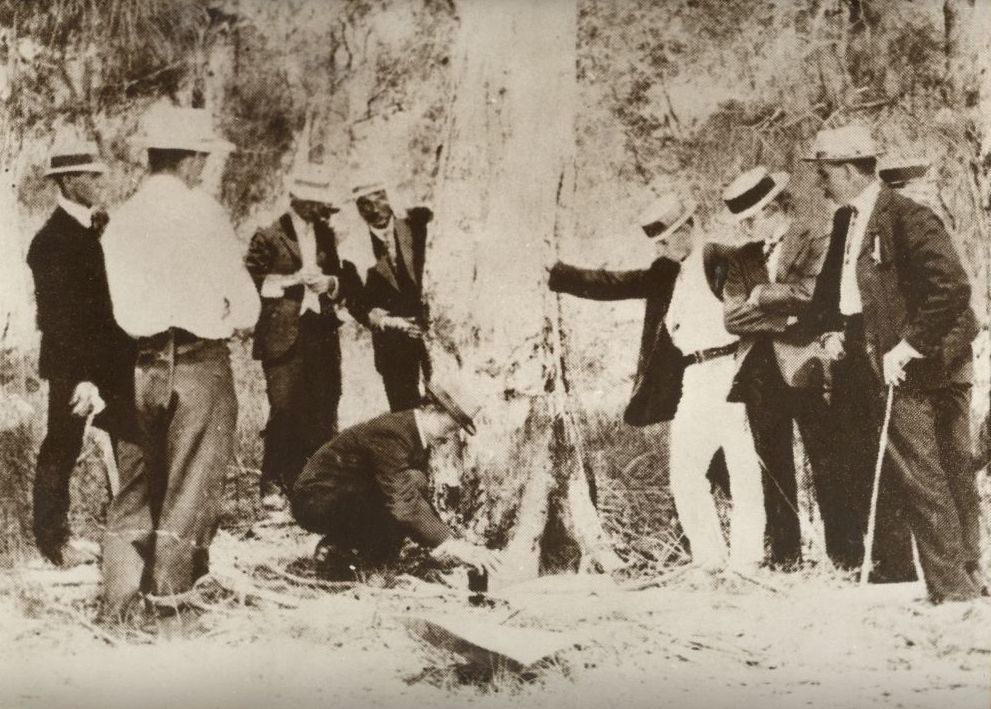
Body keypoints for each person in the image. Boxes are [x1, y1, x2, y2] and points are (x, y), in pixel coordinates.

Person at [802, 124, 980, 602]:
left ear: (847, 169)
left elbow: (952, 289)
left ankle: (955, 591)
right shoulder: (846, 221)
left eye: (823, 172)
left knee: (925, 474)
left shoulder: (906, 215)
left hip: (908, 364)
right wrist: (832, 331)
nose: (818, 182)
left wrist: (909, 346)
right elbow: (841, 296)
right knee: (910, 474)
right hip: (864, 357)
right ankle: (944, 581)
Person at [99, 105, 260, 624]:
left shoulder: (120, 221)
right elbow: (247, 306)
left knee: (134, 490)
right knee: (190, 487)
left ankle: (118, 608)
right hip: (198, 361)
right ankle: (170, 609)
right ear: (191, 160)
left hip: (138, 363)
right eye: (203, 159)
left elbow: (111, 308)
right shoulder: (204, 213)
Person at [548, 190, 765, 572]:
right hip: (694, 380)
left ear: (690, 228)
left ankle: (747, 561)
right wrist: (558, 274)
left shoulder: (722, 258)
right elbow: (616, 283)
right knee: (684, 472)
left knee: (743, 467)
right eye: (659, 243)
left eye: (667, 239)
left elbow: (756, 311)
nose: (663, 248)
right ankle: (710, 561)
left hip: (731, 371)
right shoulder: (668, 273)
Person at [721, 166, 840, 569]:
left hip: (806, 365)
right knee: (773, 469)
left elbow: (812, 295)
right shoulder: (743, 257)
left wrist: (761, 294)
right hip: (757, 372)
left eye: (750, 219)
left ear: (772, 208)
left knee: (825, 461)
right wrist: (784, 318)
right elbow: (732, 318)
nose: (745, 229)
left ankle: (845, 556)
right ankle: (787, 560)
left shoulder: (816, 237)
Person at [879, 156, 986, 594]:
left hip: (948, 373)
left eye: (915, 184)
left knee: (956, 471)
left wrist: (928, 355)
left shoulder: (929, 229)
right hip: (929, 373)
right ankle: (959, 573)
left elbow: (965, 311)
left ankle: (971, 568)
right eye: (902, 186)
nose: (911, 193)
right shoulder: (904, 235)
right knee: (942, 474)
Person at [26, 139, 135, 567]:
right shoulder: (50, 241)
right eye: (91, 176)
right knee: (63, 446)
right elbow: (61, 321)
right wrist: (86, 378)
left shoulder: (99, 226)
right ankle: (54, 542)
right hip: (74, 364)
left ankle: (128, 532)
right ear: (69, 181)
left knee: (130, 438)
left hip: (114, 358)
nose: (98, 183)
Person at [291, 381, 501, 577]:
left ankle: (345, 549)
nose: (448, 437)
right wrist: (451, 543)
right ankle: (343, 556)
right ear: (431, 409)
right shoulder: (393, 433)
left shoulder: (411, 432)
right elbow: (403, 501)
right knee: (406, 490)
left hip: (342, 495)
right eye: (449, 427)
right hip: (316, 501)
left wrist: (442, 539)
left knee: (415, 482)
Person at [245, 165, 364, 508]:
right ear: (296, 200)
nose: (318, 209)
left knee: (324, 404)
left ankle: (312, 484)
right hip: (282, 335)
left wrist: (330, 284)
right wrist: (292, 280)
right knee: (284, 408)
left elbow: (341, 278)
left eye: (321, 203)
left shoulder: (326, 235)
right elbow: (249, 283)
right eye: (313, 202)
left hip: (321, 332)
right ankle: (272, 484)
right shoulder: (268, 235)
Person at [351, 182, 432, 411]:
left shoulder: (419, 228)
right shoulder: (355, 248)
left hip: (431, 334)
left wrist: (426, 318)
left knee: (445, 411)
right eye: (365, 204)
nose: (375, 209)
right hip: (393, 346)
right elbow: (356, 303)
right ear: (357, 209)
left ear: (389, 195)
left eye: (379, 198)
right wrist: (390, 323)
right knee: (406, 416)